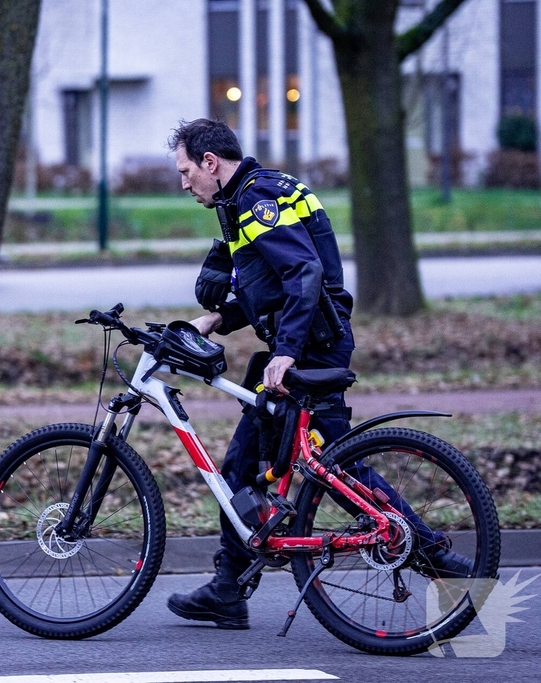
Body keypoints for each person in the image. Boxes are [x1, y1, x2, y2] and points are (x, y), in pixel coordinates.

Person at [165, 118, 473, 630]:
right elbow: (275, 285)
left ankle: (433, 554)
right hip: (302, 343)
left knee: (335, 467)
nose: (184, 183)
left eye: (185, 171)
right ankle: (227, 589)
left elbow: (303, 272)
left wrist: (286, 351)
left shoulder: (254, 200)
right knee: (242, 463)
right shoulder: (261, 189)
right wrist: (220, 318)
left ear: (210, 163)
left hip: (311, 348)